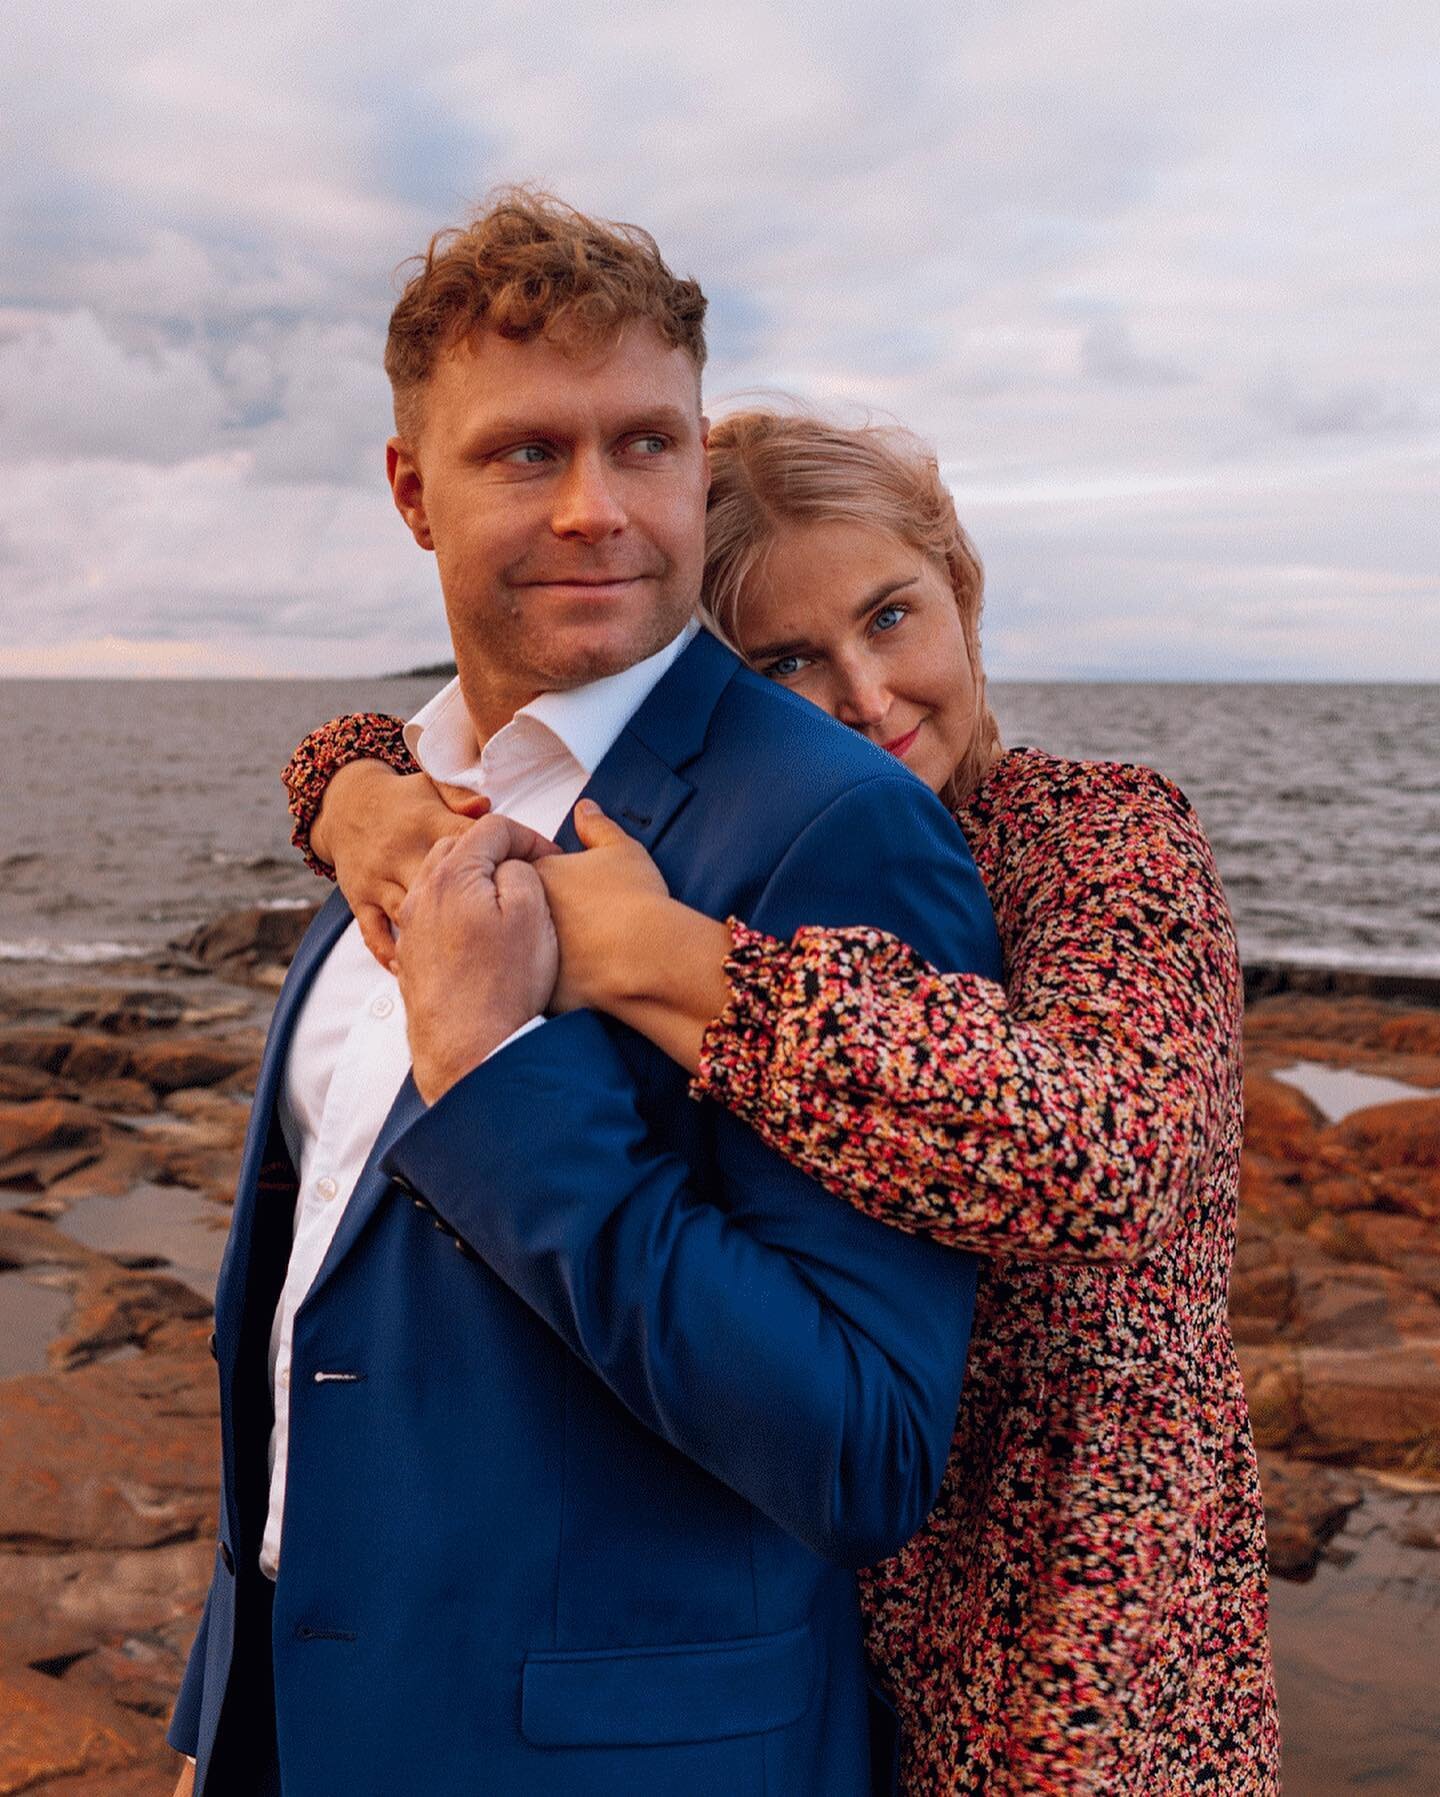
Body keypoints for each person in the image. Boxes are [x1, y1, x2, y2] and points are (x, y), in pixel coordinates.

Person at [288, 410, 1281, 1793]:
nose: (868, 695)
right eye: (789, 661)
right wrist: (351, 787)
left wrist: (645, 948)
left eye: (891, 614)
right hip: (819, 1636)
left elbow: (1108, 1158)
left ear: (963, 591)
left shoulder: (1093, 834)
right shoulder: (762, 848)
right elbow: (416, 746)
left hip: (1080, 1647)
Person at [167, 197, 1004, 1797]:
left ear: (700, 460)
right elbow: (312, 1296)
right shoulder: (399, 798)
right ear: (412, 490)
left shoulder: (836, 824)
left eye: (646, 444)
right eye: (527, 453)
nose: (598, 509)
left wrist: (494, 1077)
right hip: (303, 1717)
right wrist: (232, 1704)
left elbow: (868, 1440)